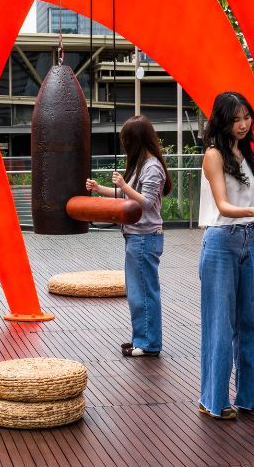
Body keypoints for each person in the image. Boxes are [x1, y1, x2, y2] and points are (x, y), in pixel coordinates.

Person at [197, 91, 254, 420]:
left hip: (247, 238)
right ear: (222, 122)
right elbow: (225, 207)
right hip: (222, 241)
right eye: (235, 119)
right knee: (220, 324)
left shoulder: (243, 153)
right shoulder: (213, 155)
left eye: (246, 117)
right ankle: (213, 400)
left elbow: (247, 197)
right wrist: (253, 210)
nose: (243, 125)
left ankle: (251, 397)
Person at [86, 115, 172, 357]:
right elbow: (126, 195)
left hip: (145, 236)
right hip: (137, 236)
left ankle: (148, 343)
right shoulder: (142, 164)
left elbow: (144, 202)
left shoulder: (152, 166)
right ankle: (141, 340)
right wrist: (99, 189)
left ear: (135, 141)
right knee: (138, 292)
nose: (124, 146)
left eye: (126, 140)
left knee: (143, 292)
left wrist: (124, 186)